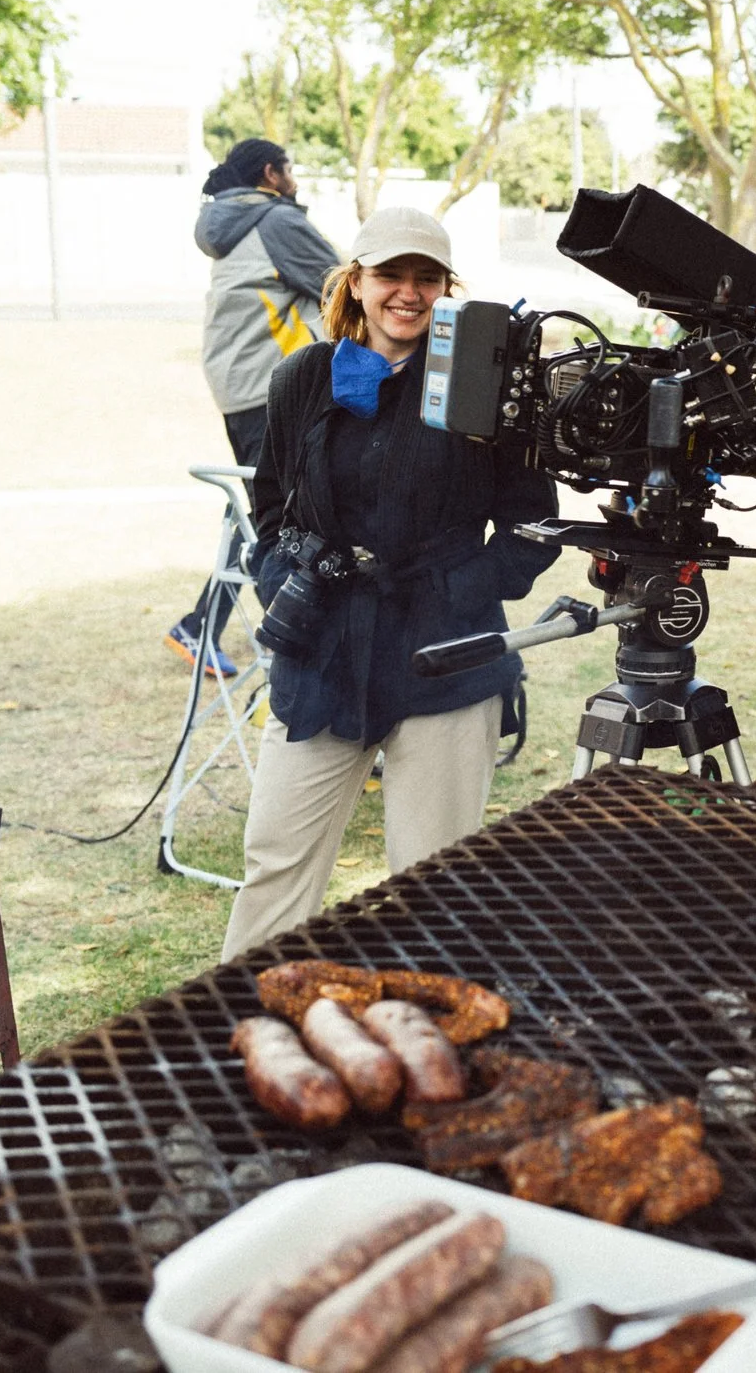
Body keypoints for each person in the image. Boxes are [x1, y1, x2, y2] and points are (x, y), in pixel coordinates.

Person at [219, 206, 558, 961]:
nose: (408, 293)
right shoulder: (303, 377)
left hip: (445, 655)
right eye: (390, 275)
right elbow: (269, 508)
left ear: (447, 288)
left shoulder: (484, 387)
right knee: (276, 856)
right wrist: (282, 581)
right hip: (323, 649)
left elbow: (533, 526)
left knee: (433, 879)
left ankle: (433, 1038)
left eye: (427, 278)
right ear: (356, 282)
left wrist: (462, 589)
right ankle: (240, 1023)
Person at [170, 139, 339, 678]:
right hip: (271, 385)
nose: (294, 178)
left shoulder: (233, 222)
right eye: (289, 168)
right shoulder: (276, 221)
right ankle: (291, 629)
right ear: (271, 172)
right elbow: (347, 286)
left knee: (254, 502)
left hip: (241, 384)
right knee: (286, 509)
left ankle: (200, 624)